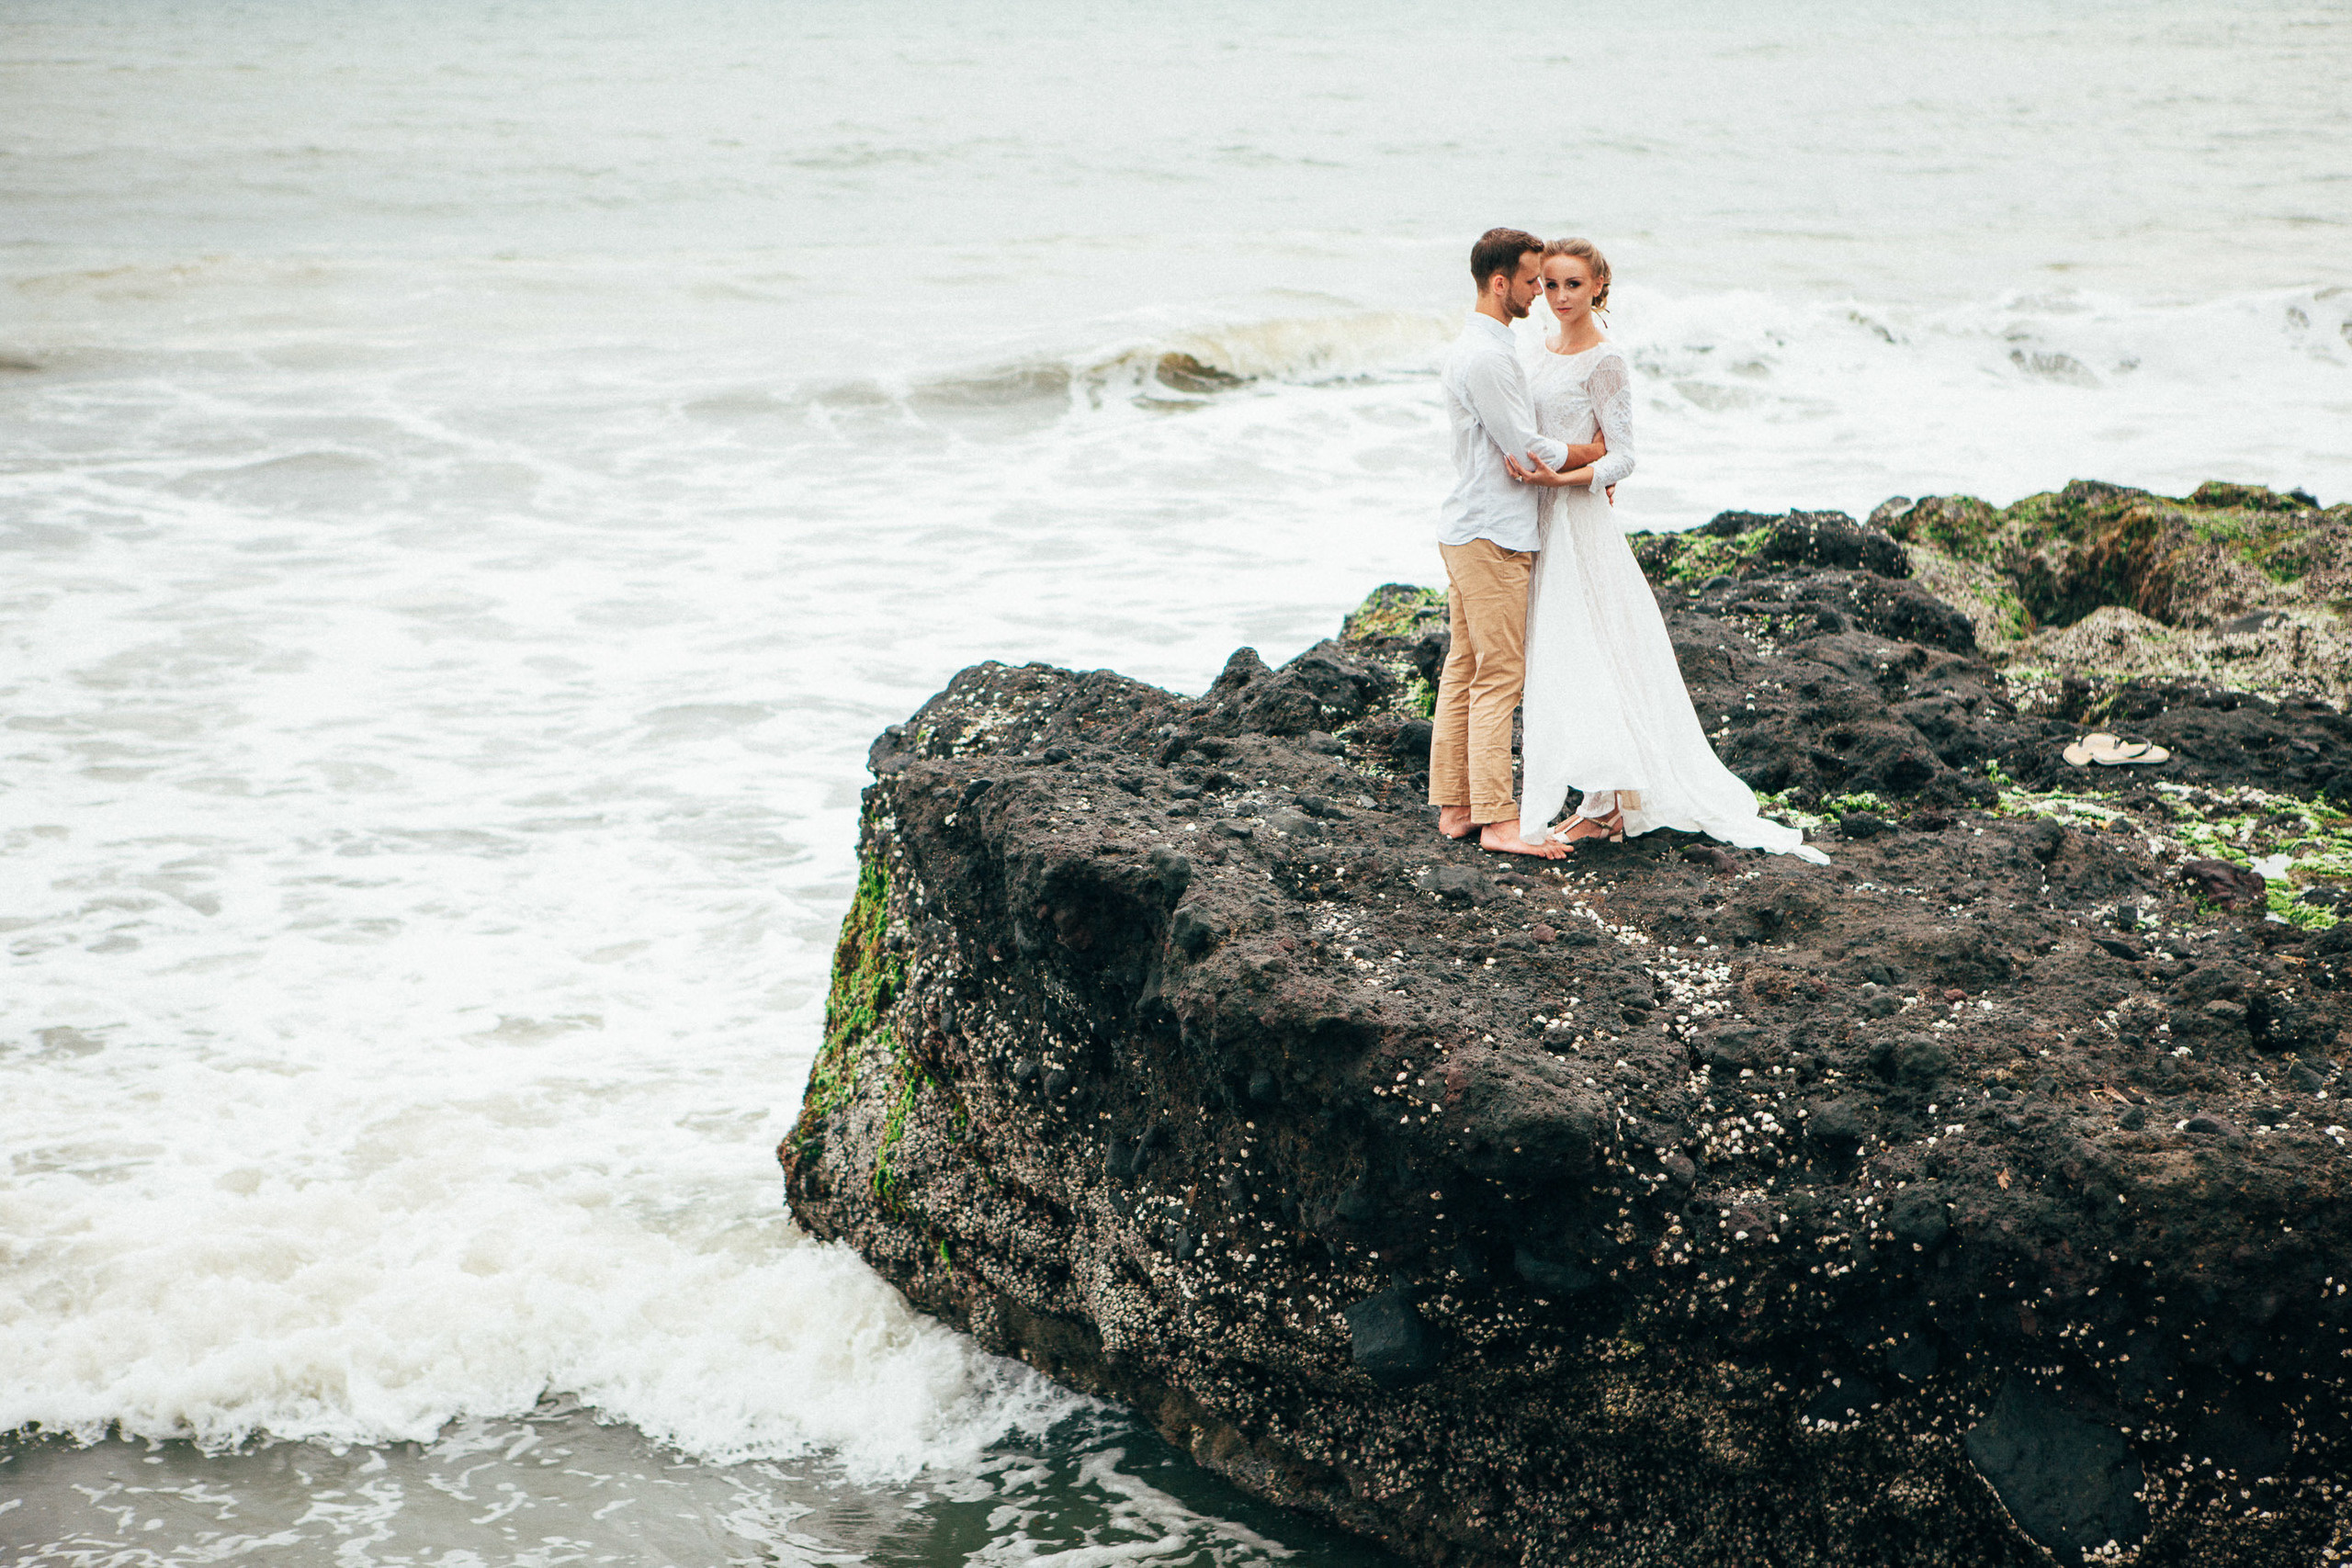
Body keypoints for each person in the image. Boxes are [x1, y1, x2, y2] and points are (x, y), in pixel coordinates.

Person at [1505, 237, 1827, 863]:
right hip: (1539, 518)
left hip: (1578, 519)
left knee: (1597, 648)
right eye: (1549, 285)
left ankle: (1603, 808)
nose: (1561, 296)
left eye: (1573, 284)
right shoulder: (1538, 350)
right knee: (1565, 654)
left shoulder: (1606, 359)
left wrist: (1565, 478)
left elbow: (1626, 453)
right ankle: (1600, 796)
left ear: (1599, 285)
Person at [1430, 229, 1609, 859]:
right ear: (1500, 283)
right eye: (1533, 280)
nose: (1541, 292)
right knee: (1498, 674)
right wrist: (1595, 451)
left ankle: (1456, 808)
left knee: (1466, 668)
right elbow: (1525, 451)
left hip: (1469, 526)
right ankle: (1498, 822)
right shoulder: (1489, 357)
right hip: (1494, 532)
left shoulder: (1480, 348)